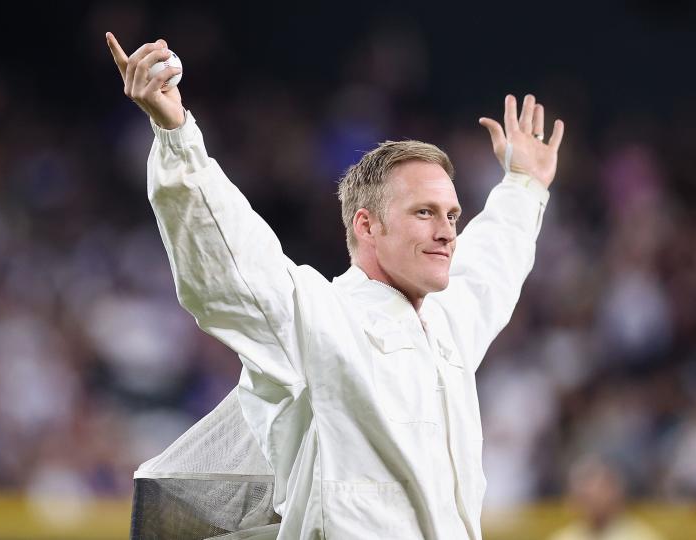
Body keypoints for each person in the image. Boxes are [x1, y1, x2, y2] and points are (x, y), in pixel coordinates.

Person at [106, 33, 565, 539]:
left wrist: (525, 185)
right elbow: (231, 264)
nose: (447, 231)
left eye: (453, 215)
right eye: (424, 212)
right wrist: (177, 137)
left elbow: (491, 263)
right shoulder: (320, 316)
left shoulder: (446, 324)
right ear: (367, 226)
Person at [550, 455, 664, 540]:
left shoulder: (641, 537)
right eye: (583, 495)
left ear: (616, 492)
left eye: (594, 493)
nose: (589, 501)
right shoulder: (565, 537)